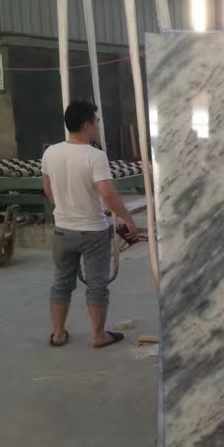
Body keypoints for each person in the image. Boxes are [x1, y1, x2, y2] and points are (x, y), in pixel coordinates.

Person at [42, 101, 138, 348]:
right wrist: (127, 218)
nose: (98, 127)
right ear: (87, 125)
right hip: (93, 231)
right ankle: (98, 336)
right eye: (96, 122)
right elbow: (107, 194)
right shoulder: (95, 156)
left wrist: (63, 210)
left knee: (61, 283)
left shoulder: (50, 152)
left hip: (63, 230)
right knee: (97, 286)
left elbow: (47, 188)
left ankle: (58, 334)